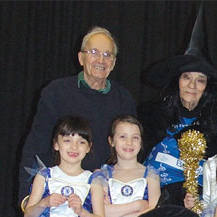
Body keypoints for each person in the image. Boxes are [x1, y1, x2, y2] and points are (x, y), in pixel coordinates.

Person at [18, 26, 136, 202]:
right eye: (94, 52)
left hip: (106, 196)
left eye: (107, 55)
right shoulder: (56, 92)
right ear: (81, 58)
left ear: (113, 63)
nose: (100, 60)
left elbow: (130, 152)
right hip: (60, 195)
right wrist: (28, 199)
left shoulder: (124, 99)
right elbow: (36, 147)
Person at [139, 6, 217, 206]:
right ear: (177, 80)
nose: (192, 85)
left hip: (203, 203)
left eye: (200, 80)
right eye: (187, 77)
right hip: (156, 200)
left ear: (207, 86)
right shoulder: (151, 116)